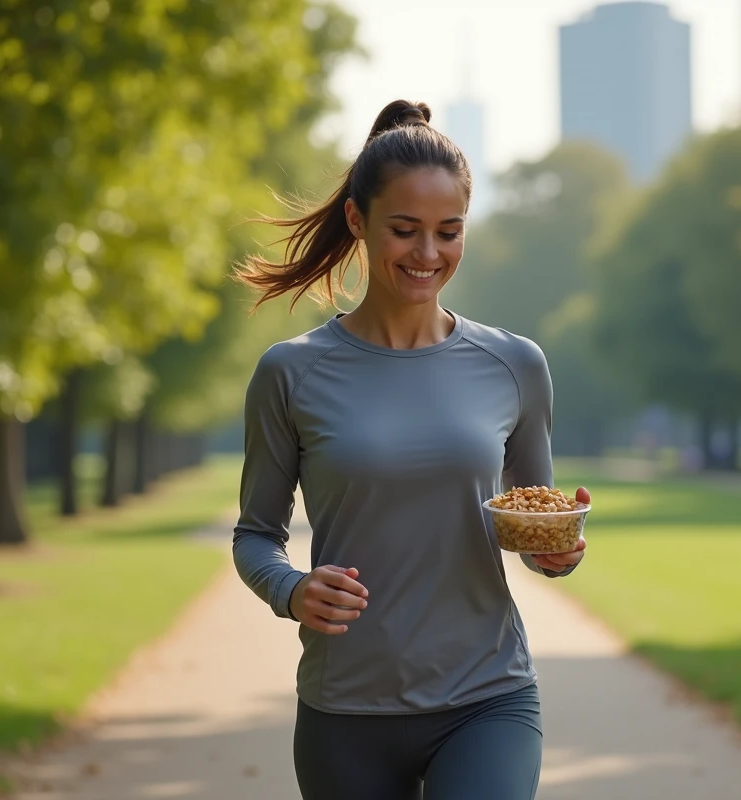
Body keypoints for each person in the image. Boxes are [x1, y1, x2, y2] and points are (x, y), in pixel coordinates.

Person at [231, 99, 590, 800]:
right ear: (359, 222)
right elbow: (255, 536)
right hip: (347, 712)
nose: (429, 255)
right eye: (405, 230)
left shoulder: (515, 364)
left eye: (449, 232)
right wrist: (293, 589)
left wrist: (558, 549)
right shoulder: (291, 372)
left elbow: (531, 518)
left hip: (488, 696)